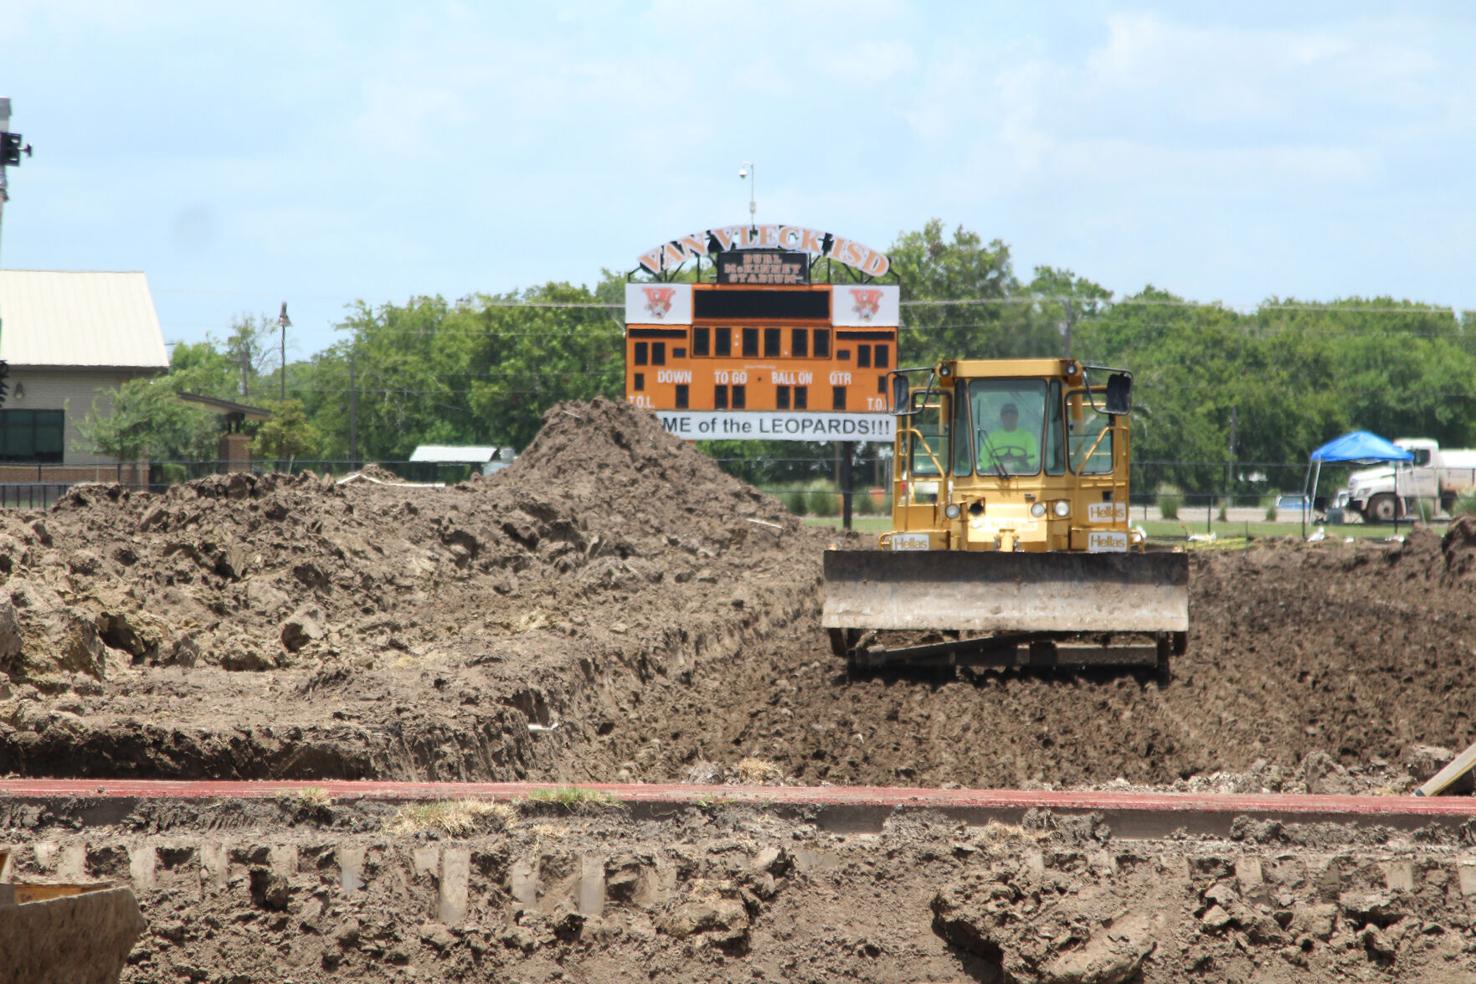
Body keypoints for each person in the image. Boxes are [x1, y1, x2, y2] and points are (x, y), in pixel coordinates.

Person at [979, 402, 1039, 474]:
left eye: (1012, 416)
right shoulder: (992, 437)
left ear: (1017, 417)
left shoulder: (1028, 436)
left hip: (1023, 475)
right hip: (995, 476)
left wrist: (1020, 463)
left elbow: (1033, 458)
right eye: (1006, 416)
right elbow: (982, 459)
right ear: (1002, 418)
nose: (1009, 419)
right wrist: (992, 468)